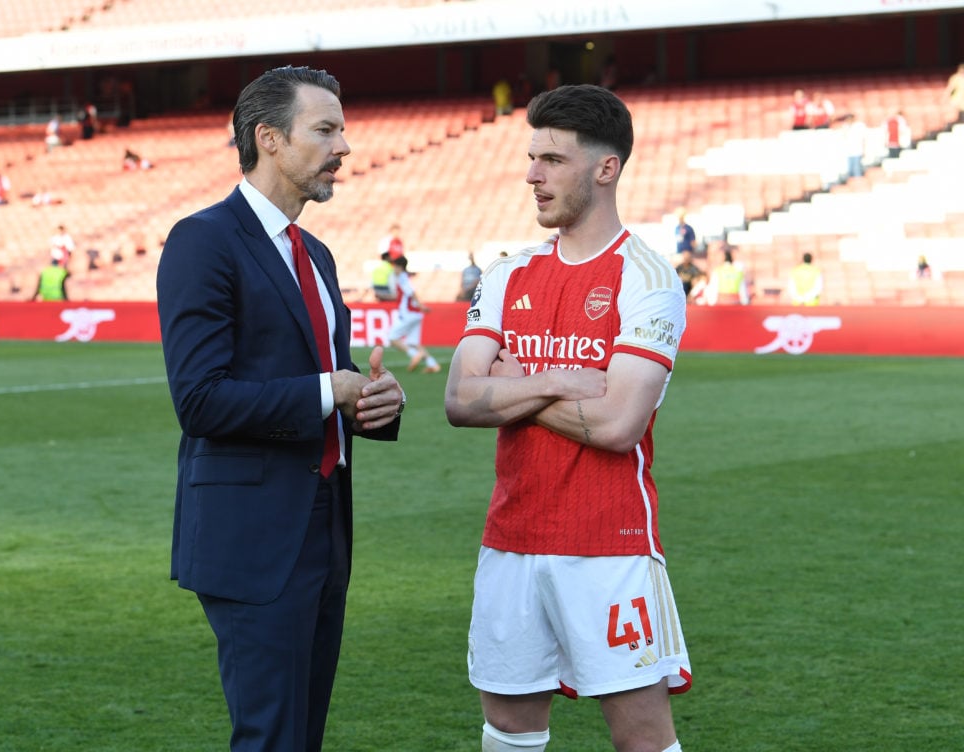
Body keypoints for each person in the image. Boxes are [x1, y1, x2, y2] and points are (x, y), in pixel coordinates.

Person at [156, 65, 405, 752]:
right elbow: (200, 400)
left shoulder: (316, 254)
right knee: (270, 738)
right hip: (252, 537)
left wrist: (371, 401)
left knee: (300, 735)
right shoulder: (203, 240)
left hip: (324, 526)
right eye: (325, 129)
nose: (345, 147)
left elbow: (330, 379)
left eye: (343, 129)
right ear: (269, 137)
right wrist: (333, 390)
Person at [444, 84, 691, 752]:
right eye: (532, 158)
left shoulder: (648, 279)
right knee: (508, 726)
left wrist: (511, 382)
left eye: (551, 159)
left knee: (642, 738)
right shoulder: (506, 275)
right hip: (511, 540)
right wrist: (557, 378)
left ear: (604, 169)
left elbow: (617, 425)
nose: (532, 175)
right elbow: (460, 401)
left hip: (607, 547)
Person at [387, 255, 440, 373]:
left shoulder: (401, 277)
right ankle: (433, 364)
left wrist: (421, 305)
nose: (393, 268)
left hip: (408, 313)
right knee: (413, 342)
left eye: (394, 265)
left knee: (392, 338)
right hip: (416, 314)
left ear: (399, 266)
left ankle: (414, 355)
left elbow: (411, 292)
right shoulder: (405, 276)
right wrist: (420, 307)